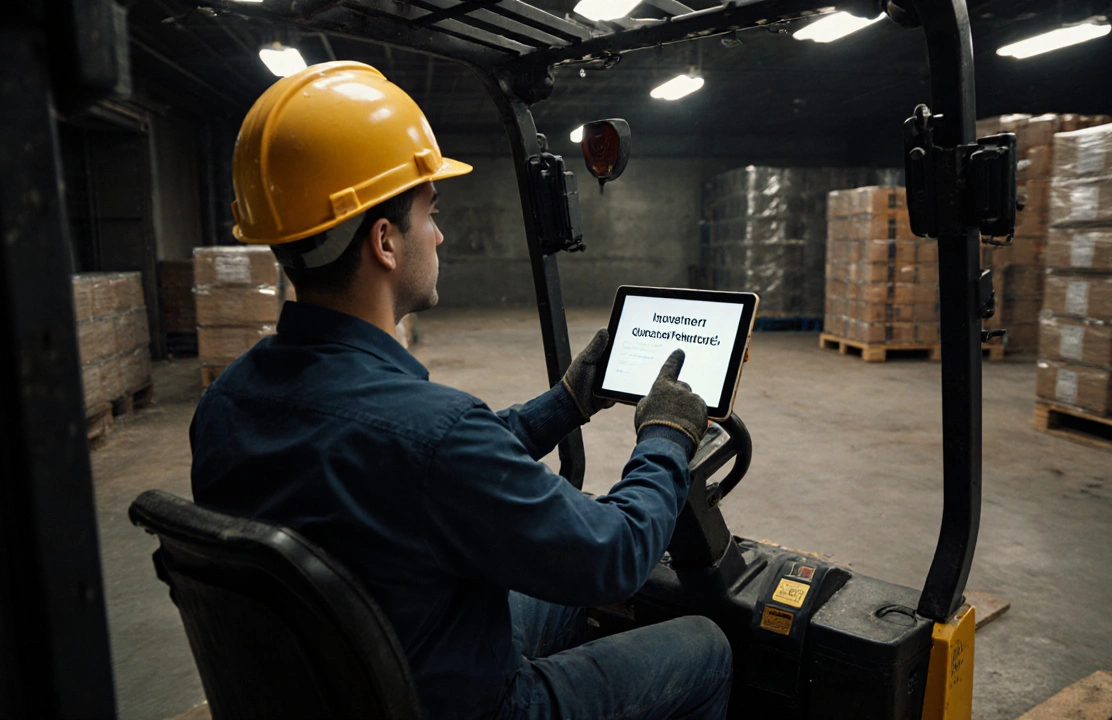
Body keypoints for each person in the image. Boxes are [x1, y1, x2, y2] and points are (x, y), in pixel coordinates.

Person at [190, 61, 732, 719]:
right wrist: (666, 437)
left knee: (543, 585)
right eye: (430, 212)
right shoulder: (432, 433)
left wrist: (565, 403)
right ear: (385, 241)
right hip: (468, 705)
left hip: (358, 681)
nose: (440, 234)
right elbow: (614, 556)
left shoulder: (227, 406)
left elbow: (407, 470)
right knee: (706, 646)